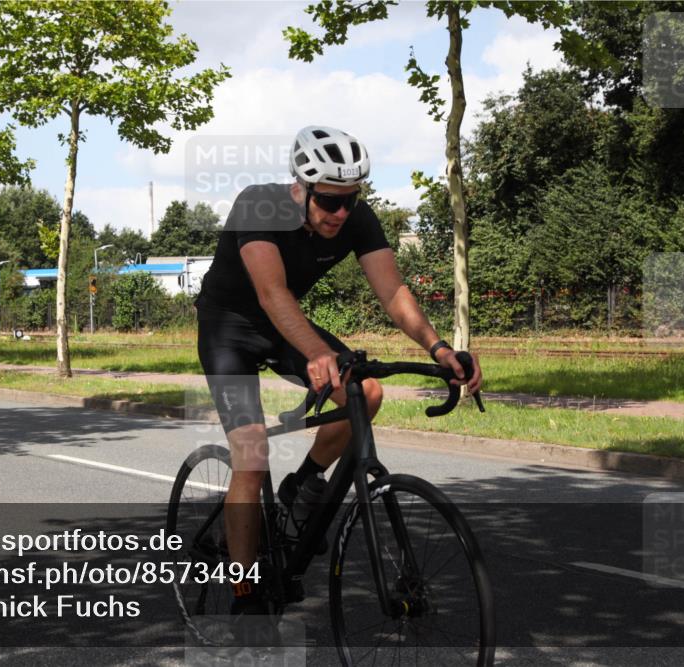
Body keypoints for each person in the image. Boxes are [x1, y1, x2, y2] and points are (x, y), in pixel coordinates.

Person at [194, 126, 483, 622]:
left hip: (286, 327)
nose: (342, 214)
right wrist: (314, 352)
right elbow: (272, 294)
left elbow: (393, 294)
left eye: (351, 200)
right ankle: (243, 593)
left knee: (365, 393)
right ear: (301, 188)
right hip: (229, 328)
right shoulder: (258, 205)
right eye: (330, 202)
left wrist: (439, 349)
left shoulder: (354, 216)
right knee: (251, 450)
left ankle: (301, 490)